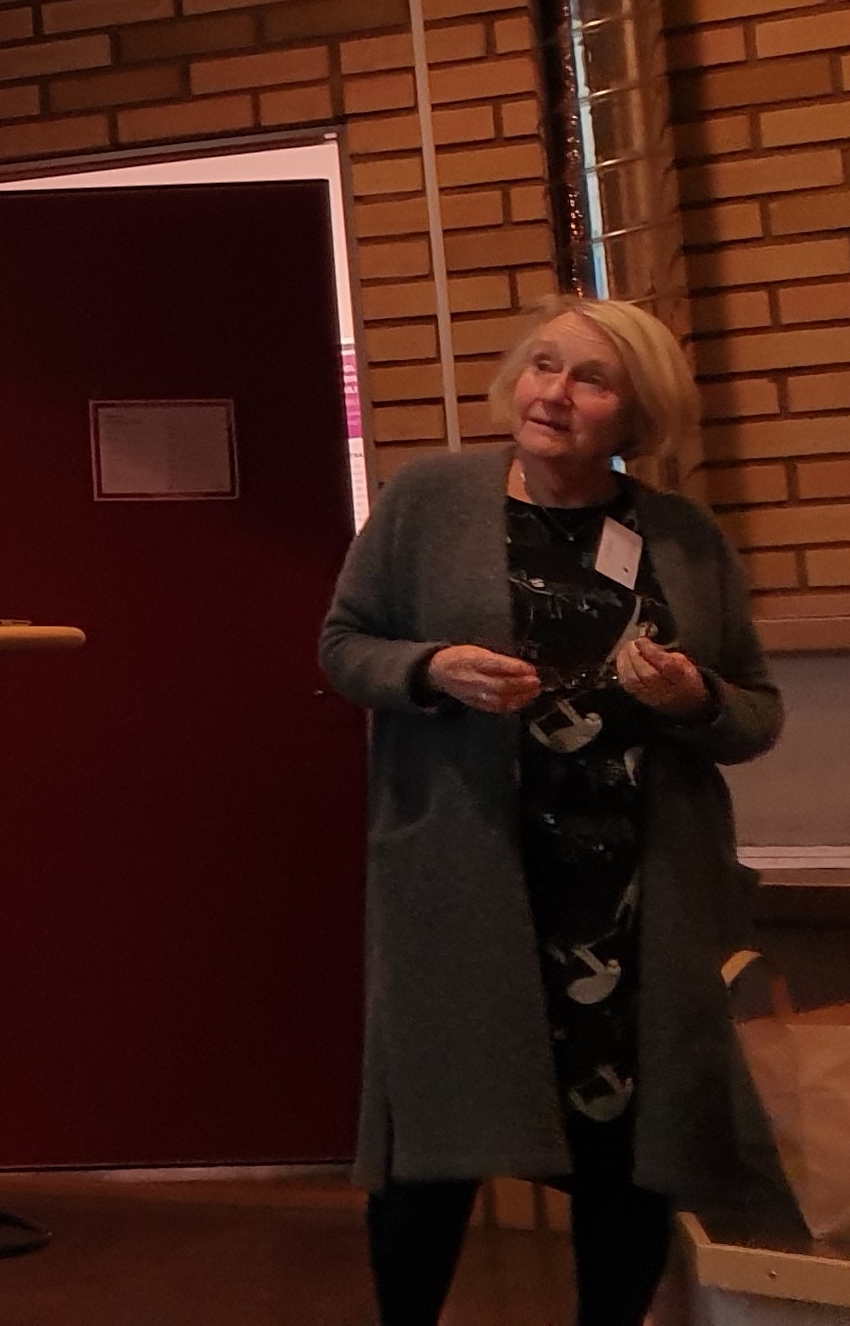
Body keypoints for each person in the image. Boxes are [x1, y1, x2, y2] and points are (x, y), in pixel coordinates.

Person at [320, 294, 788, 1326]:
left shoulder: (682, 535)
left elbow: (755, 713)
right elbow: (343, 646)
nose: (553, 393)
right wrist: (431, 667)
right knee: (433, 1148)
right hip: (468, 884)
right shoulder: (428, 498)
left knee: (627, 1156)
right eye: (542, 366)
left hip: (634, 903)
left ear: (636, 413)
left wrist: (693, 696)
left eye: (590, 379)